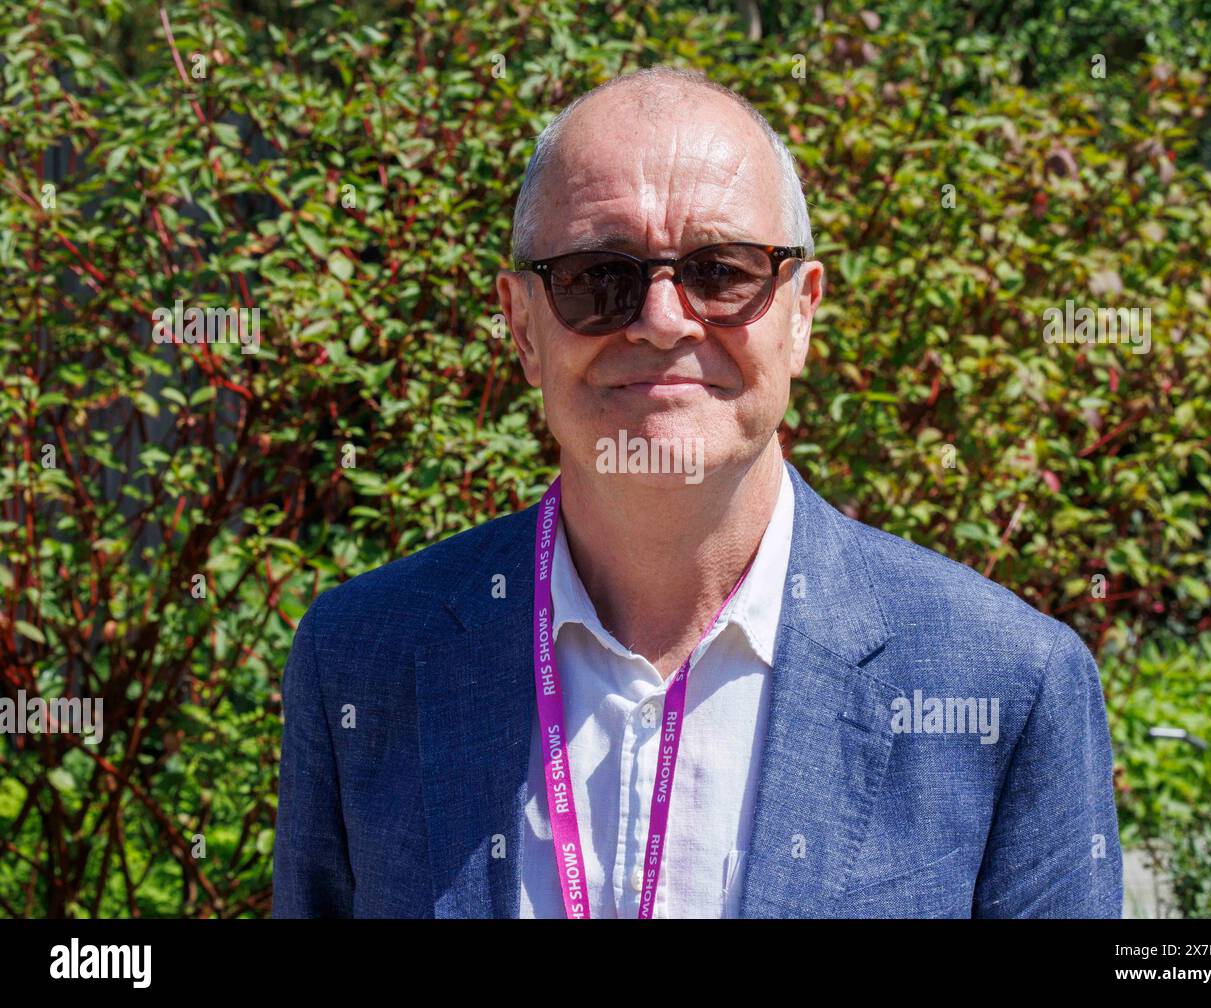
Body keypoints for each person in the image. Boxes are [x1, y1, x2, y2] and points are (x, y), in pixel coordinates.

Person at [272, 66, 1123, 919]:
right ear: (524, 326)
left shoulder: (1011, 684)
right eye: (599, 276)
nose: (663, 319)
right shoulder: (362, 659)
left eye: (721, 271)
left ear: (801, 314)